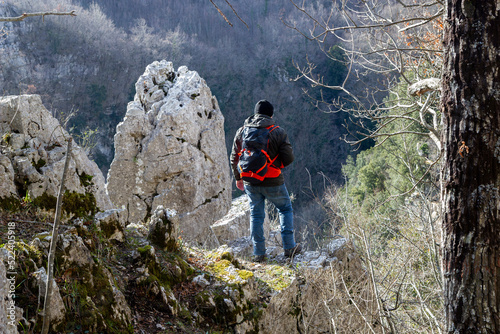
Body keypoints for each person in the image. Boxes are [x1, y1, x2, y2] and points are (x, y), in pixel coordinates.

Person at [230, 100, 302, 262]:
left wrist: (238, 177)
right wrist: (276, 166)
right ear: (271, 115)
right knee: (284, 209)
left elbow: (234, 157)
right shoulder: (278, 131)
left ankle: (258, 253)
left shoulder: (242, 131)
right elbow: (288, 158)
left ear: (255, 114)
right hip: (273, 179)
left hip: (250, 180)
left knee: (256, 215)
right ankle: (289, 247)